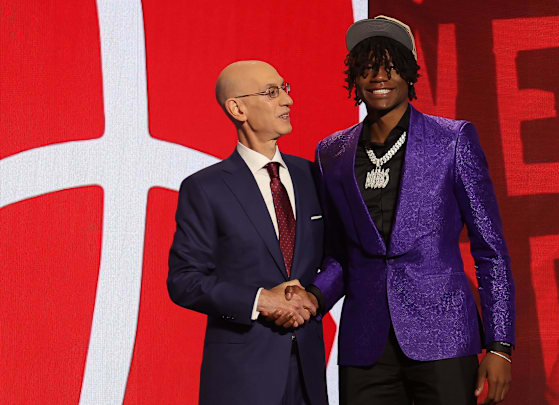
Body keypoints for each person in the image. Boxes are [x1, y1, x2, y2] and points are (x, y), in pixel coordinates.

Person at [298, 16, 515, 405]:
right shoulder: (331, 152)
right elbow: (339, 255)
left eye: (391, 65)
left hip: (444, 337)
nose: (379, 76)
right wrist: (313, 297)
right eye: (367, 66)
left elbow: (490, 249)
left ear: (410, 74)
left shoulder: (452, 140)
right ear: (355, 78)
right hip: (364, 346)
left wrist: (499, 345)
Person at [167, 60, 327, 405]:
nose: (287, 101)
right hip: (241, 377)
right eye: (272, 92)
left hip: (309, 372)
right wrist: (260, 301)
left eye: (286, 89)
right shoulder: (205, 188)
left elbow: (338, 258)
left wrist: (313, 296)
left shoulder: (314, 177)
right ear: (237, 108)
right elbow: (184, 281)